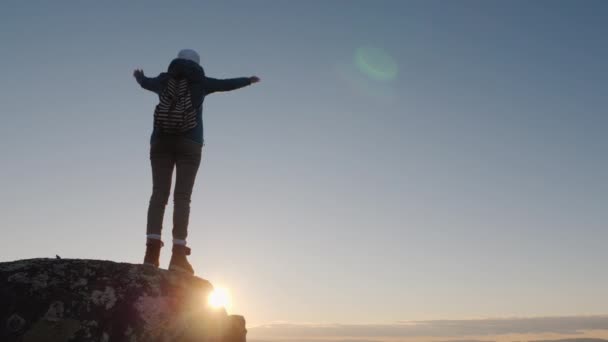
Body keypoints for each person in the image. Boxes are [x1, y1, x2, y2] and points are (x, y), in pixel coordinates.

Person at [133, 49, 260, 274]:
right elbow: (226, 85)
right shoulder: (201, 82)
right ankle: (178, 257)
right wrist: (247, 81)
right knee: (182, 197)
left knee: (158, 194)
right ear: (197, 64)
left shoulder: (164, 80)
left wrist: (140, 77)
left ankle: (151, 255)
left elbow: (145, 83)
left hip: (160, 142)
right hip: (190, 143)